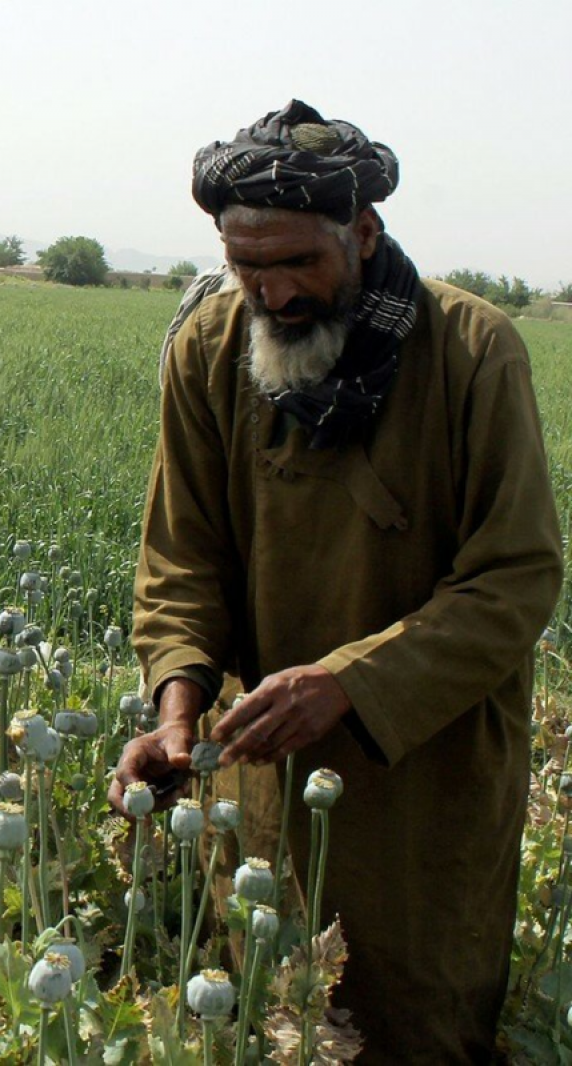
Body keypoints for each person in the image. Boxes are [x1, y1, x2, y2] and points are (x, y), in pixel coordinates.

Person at [110, 101, 562, 1062]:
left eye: (297, 264)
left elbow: (515, 579)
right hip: (260, 765)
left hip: (422, 776)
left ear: (362, 233)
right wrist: (180, 707)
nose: (271, 294)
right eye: (246, 268)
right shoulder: (210, 348)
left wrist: (349, 683)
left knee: (415, 1016)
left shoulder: (474, 352)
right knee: (278, 1008)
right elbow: (182, 559)